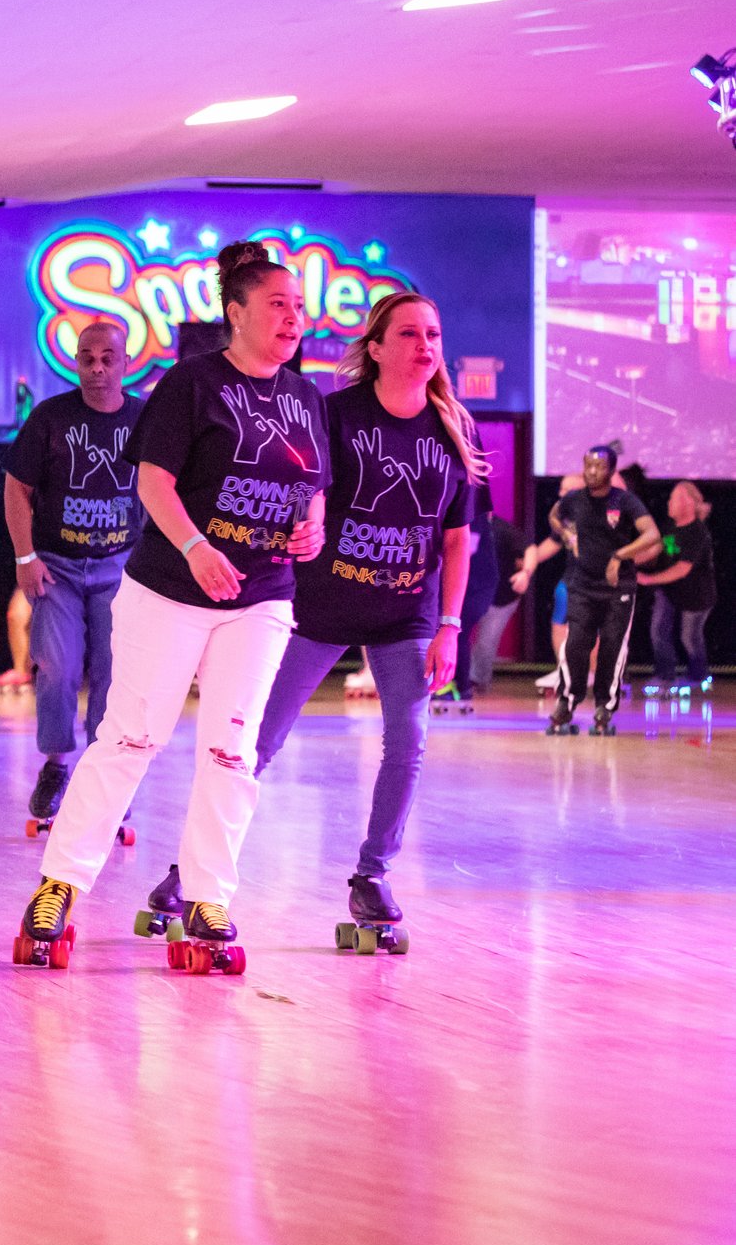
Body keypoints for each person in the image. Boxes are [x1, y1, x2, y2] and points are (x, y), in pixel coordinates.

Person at [15, 241, 328, 971]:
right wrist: (193, 545)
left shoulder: (305, 397)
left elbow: (312, 484)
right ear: (237, 312)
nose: (292, 317)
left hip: (261, 597)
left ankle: (208, 896)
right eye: (277, 304)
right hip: (170, 589)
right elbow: (153, 481)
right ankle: (59, 885)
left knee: (232, 748)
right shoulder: (195, 383)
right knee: (131, 736)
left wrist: (311, 524)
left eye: (299, 306)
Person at [251, 290, 480, 942]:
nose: (425, 345)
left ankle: (372, 875)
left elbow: (457, 539)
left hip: (406, 614)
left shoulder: (454, 428)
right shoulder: (338, 413)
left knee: (408, 742)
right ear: (376, 348)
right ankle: (194, 869)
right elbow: (305, 488)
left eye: (433, 333)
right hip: (319, 607)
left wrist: (450, 624)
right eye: (409, 333)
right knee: (259, 741)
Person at [3, 318, 145, 825]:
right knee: (58, 669)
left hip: (120, 569)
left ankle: (105, 778)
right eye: (88, 357)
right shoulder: (50, 417)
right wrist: (25, 557)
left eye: (108, 358)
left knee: (113, 676)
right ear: (76, 360)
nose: (98, 367)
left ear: (126, 362)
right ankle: (57, 765)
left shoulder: (145, 418)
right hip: (57, 567)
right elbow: (16, 489)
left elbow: (165, 490)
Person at [513, 445, 661, 735]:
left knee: (611, 647)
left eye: (599, 466)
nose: (592, 471)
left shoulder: (625, 502)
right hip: (581, 585)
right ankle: (567, 702)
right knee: (576, 644)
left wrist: (620, 556)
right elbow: (555, 516)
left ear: (612, 470)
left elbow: (652, 535)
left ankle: (605, 706)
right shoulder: (573, 500)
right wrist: (567, 532)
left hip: (619, 588)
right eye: (588, 466)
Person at [637, 481, 715, 689]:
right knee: (658, 630)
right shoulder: (669, 528)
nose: (669, 503)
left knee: (689, 637)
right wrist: (625, 560)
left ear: (687, 503)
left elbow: (682, 569)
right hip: (670, 592)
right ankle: (665, 676)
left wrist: (649, 579)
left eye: (673, 499)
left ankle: (699, 677)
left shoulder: (697, 533)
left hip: (696, 595)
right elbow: (654, 550)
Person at [453, 498, 526, 706]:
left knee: (460, 633)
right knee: (457, 633)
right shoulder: (460, 519)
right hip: (468, 588)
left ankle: (465, 686)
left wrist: (526, 573)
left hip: (487, 591)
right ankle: (459, 684)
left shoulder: (483, 523)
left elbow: (466, 551)